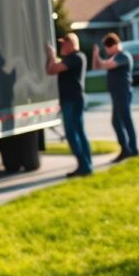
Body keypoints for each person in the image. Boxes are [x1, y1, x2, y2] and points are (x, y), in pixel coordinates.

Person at [45, 33, 93, 176]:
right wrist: (53, 58)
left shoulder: (76, 58)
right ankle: (86, 166)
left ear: (71, 44)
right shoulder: (71, 59)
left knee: (73, 134)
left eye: (63, 44)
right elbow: (50, 70)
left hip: (73, 100)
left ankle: (84, 166)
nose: (61, 46)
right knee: (78, 132)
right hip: (71, 100)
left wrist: (51, 55)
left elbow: (52, 69)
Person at [93, 32, 139, 162]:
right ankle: (126, 149)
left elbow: (104, 65)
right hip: (116, 93)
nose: (107, 50)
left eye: (108, 46)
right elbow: (96, 67)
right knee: (117, 122)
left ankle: (132, 149)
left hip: (123, 92)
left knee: (125, 121)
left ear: (115, 44)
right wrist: (95, 54)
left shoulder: (123, 56)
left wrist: (98, 56)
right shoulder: (115, 56)